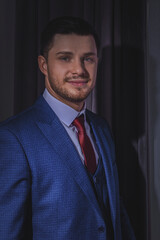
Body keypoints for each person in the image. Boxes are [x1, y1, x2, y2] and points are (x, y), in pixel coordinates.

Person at [0, 16, 135, 240]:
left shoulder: (101, 128)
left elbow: (115, 211)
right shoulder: (13, 138)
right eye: (65, 58)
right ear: (44, 65)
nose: (79, 70)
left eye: (88, 59)